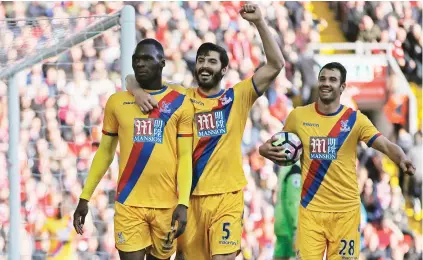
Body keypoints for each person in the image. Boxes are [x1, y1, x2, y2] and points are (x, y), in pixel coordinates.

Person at [127, 4, 284, 260]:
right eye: (201, 60)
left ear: (223, 70)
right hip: (189, 200)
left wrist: (260, 23)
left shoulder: (238, 96)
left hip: (227, 197)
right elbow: (131, 79)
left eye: (212, 61)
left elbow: (276, 64)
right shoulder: (179, 96)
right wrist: (138, 92)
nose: (205, 65)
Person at [259, 62, 415, 260]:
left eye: (333, 79)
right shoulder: (298, 117)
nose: (326, 83)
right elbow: (269, 144)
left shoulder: (355, 120)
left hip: (345, 213)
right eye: (323, 79)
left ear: (342, 87)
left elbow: (384, 144)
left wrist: (402, 159)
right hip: (311, 211)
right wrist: (267, 151)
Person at [73, 38, 194, 260]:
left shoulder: (180, 101)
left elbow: (185, 156)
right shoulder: (117, 102)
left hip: (166, 205)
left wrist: (183, 202)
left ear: (162, 63)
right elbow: (105, 152)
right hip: (129, 203)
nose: (140, 64)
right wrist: (85, 196)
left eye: (147, 59)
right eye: (136, 60)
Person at [273, 162, 301, 260]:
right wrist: (296, 226)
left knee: (280, 255)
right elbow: (293, 201)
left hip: (281, 221)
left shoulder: (287, 165)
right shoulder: (296, 167)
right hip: (290, 224)